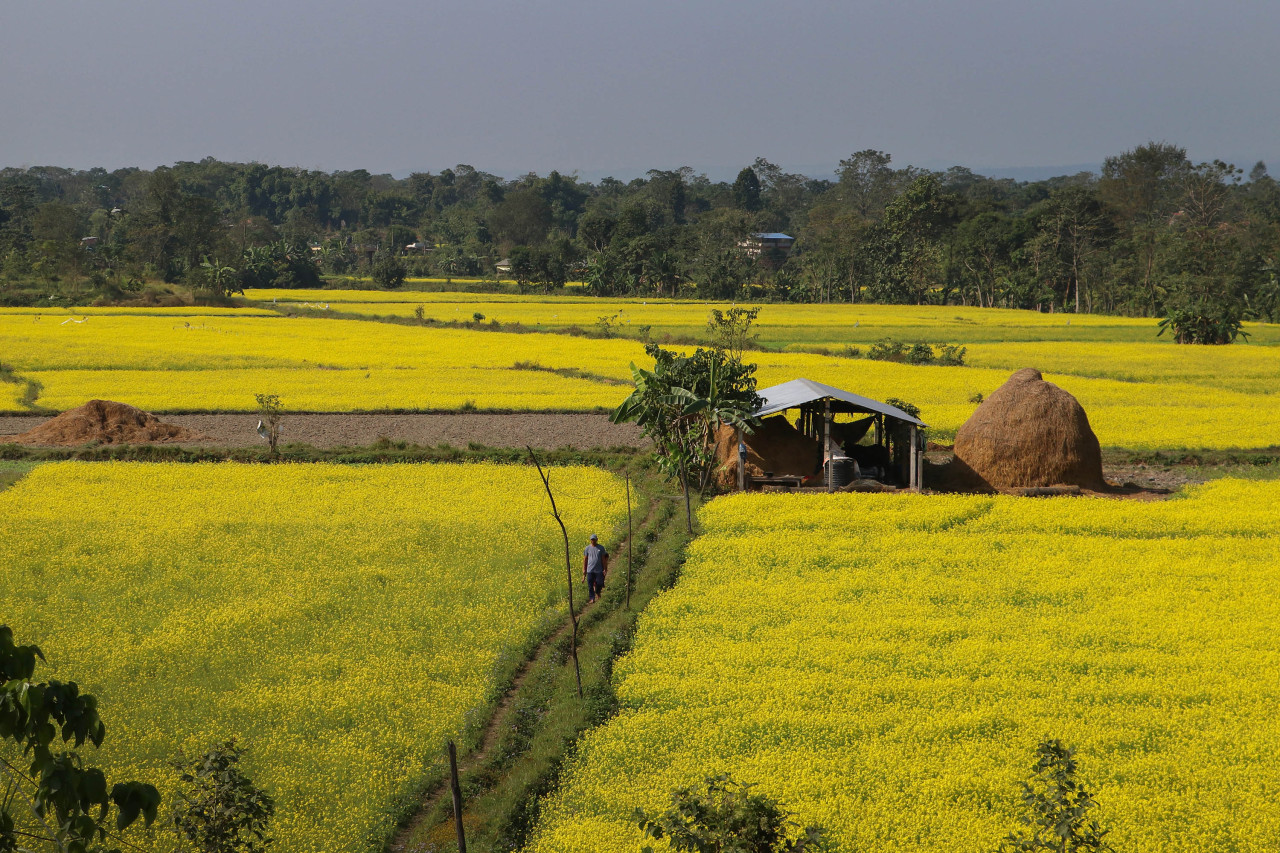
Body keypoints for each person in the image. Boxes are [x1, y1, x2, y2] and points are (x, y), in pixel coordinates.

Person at [582, 533, 609, 604]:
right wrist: (584, 569)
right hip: (590, 570)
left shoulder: (601, 548)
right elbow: (585, 559)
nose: (593, 541)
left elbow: (603, 559)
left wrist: (605, 568)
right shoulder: (587, 548)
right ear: (590, 540)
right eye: (592, 540)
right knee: (590, 585)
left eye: (594, 539)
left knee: (599, 583)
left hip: (599, 569)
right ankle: (592, 598)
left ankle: (598, 592)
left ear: (597, 540)